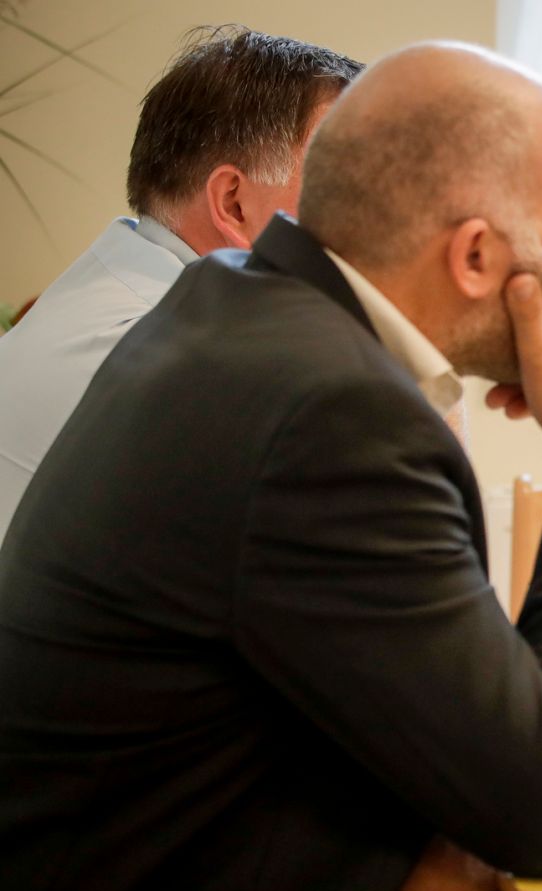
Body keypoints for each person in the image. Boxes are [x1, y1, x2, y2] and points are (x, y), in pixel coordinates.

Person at [0, 42, 542, 891]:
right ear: (474, 256)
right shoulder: (333, 414)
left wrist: (458, 833)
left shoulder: (229, 309)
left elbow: (450, 697)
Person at [0, 26, 363, 541]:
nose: (370, 222)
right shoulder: (180, 366)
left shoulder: (109, 286)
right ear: (234, 203)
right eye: (341, 183)